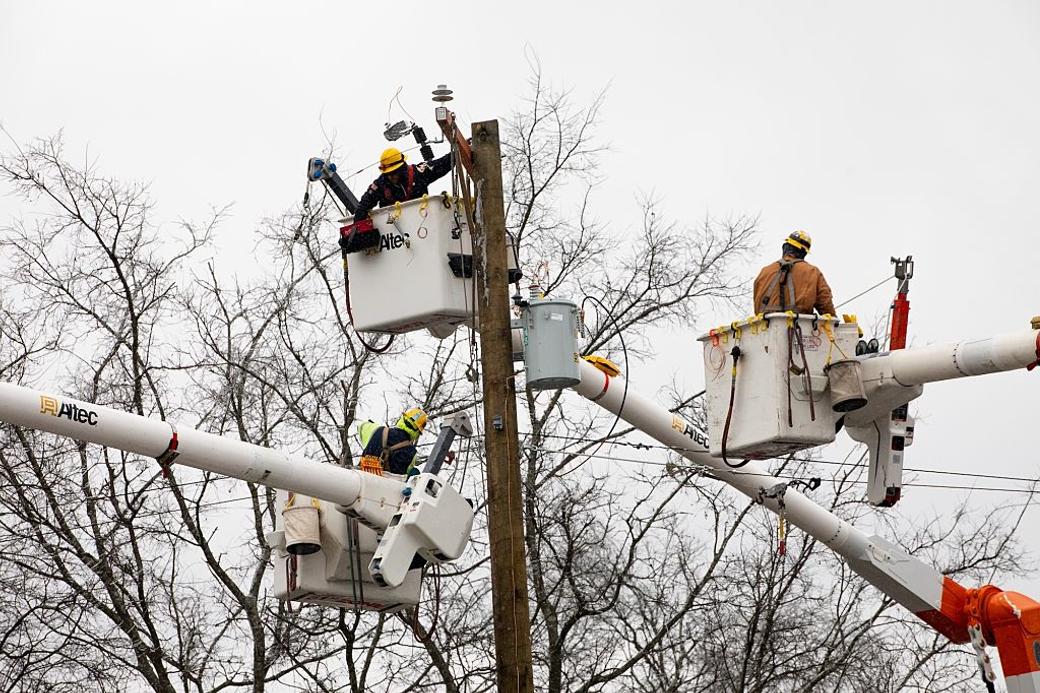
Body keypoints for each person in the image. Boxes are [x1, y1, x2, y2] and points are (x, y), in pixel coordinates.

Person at [352, 147, 453, 222]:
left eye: (393, 172)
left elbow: (442, 164)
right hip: (394, 230)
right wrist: (356, 228)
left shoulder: (418, 173)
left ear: (401, 169)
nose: (391, 176)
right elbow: (365, 204)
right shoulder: (380, 184)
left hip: (422, 223)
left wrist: (457, 151)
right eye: (388, 174)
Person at [752, 230, 836, 316]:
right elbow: (825, 304)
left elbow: (756, 305)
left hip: (763, 327)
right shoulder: (812, 272)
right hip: (800, 326)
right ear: (804, 253)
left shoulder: (764, 272)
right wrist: (834, 322)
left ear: (784, 247)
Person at [356, 407, 429, 476]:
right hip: (384, 487)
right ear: (417, 432)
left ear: (402, 419)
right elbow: (407, 477)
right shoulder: (412, 454)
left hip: (360, 478)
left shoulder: (377, 430)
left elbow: (361, 426)